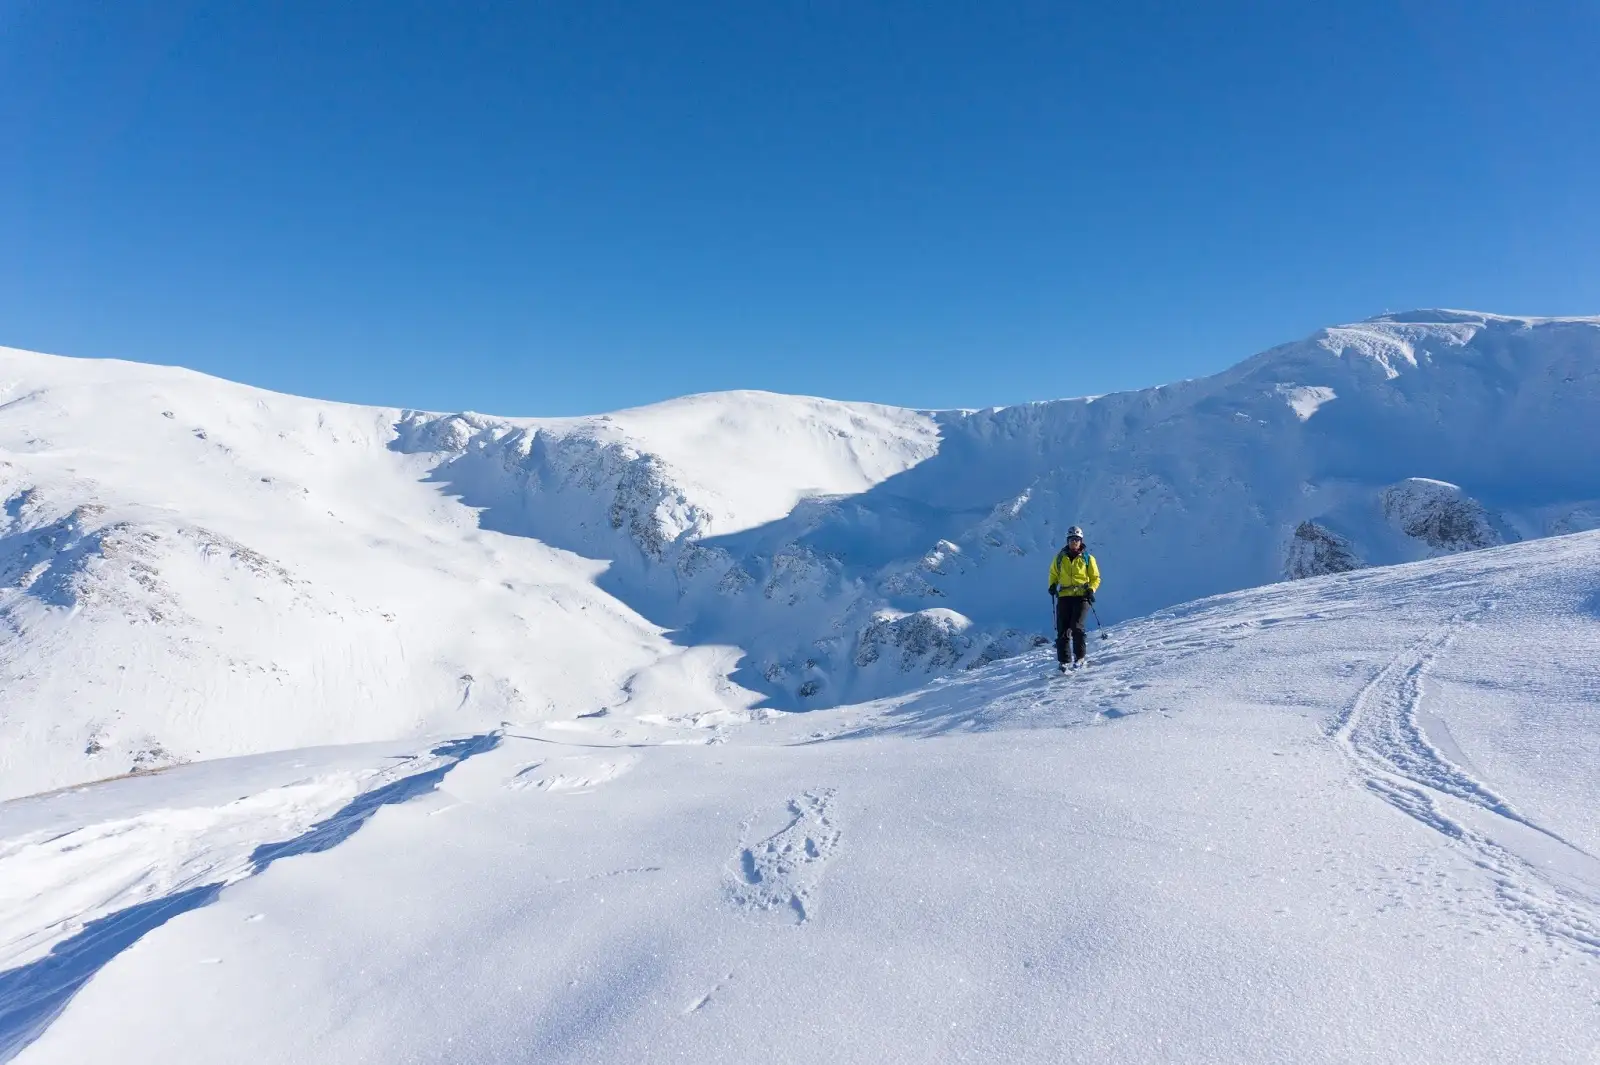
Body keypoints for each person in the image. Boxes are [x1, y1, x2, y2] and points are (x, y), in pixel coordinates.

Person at [1048, 526, 1101, 671]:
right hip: (1064, 596)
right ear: (1068, 541)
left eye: (1077, 539)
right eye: (1072, 539)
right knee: (1063, 629)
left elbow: (1095, 578)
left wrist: (1091, 589)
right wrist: (1052, 585)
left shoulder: (1088, 559)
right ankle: (1064, 661)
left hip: (1082, 597)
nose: (1074, 542)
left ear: (1081, 541)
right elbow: (1053, 574)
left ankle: (1080, 657)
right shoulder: (1059, 558)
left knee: (1076, 627)